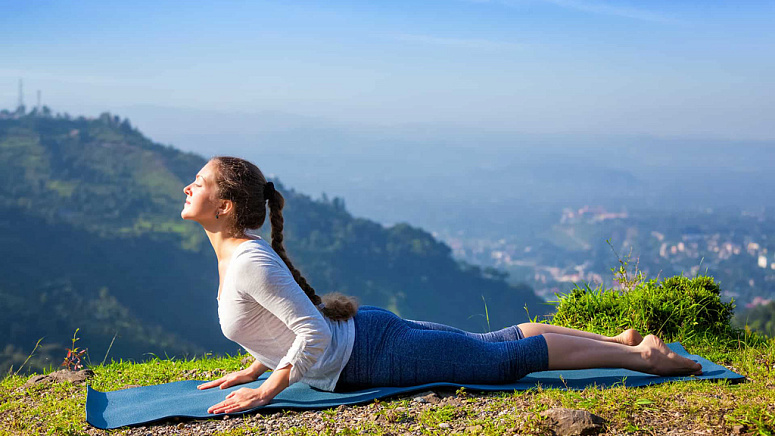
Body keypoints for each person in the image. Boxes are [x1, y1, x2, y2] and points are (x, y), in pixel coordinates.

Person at [181, 156, 702, 415]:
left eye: (199, 183)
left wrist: (266, 392)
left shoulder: (248, 260)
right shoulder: (237, 255)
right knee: (493, 344)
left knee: (501, 361)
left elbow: (311, 332)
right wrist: (258, 361)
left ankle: (643, 359)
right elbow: (279, 320)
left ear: (225, 207)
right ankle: (619, 342)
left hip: (370, 355)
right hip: (367, 339)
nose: (188, 186)